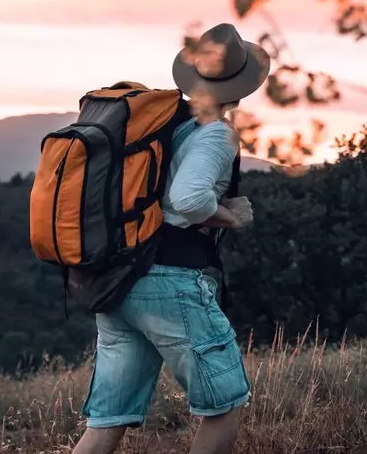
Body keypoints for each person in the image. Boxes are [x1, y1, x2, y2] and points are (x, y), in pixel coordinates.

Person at [71, 23, 270, 454]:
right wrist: (228, 219)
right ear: (240, 90)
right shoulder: (216, 132)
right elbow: (189, 197)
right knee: (222, 410)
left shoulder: (159, 127)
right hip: (171, 281)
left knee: (106, 422)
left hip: (119, 278)